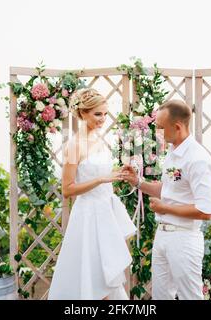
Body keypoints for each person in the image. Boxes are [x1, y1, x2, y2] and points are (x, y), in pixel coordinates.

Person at [122, 99, 211, 300]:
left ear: (177, 127)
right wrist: (137, 182)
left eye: (160, 128)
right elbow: (168, 189)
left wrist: (165, 208)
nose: (157, 132)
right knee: (160, 296)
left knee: (190, 297)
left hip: (184, 239)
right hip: (163, 235)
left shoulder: (198, 159)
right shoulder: (173, 152)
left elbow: (206, 210)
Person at [48, 88, 136, 300]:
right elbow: (67, 189)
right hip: (88, 217)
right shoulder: (74, 146)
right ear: (83, 114)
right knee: (94, 276)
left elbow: (101, 173)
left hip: (106, 214)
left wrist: (117, 173)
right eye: (98, 114)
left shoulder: (99, 140)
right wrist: (100, 180)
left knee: (107, 273)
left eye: (105, 114)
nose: (103, 119)